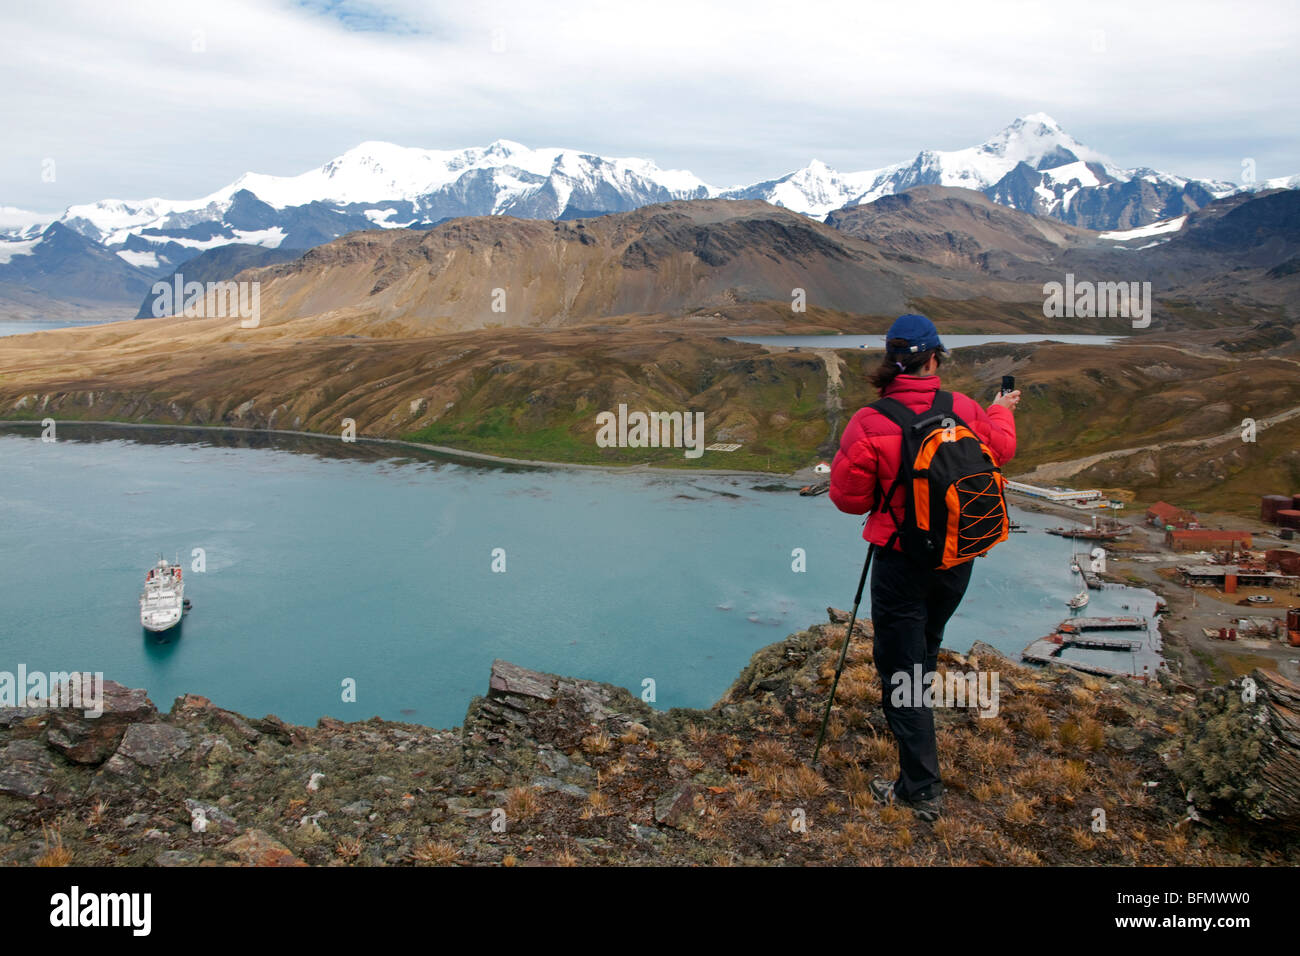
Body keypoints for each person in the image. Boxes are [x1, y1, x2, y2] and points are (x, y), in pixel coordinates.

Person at [829, 314, 1020, 821]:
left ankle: (921, 790)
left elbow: (849, 501)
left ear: (891, 361)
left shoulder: (871, 421)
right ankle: (920, 732)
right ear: (935, 358)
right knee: (925, 648)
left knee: (900, 671)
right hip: (957, 557)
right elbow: (1000, 450)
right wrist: (1000, 411)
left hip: (901, 561)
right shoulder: (963, 408)